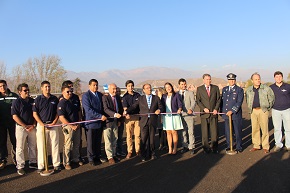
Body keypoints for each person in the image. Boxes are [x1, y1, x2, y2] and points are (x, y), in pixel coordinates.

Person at [125, 84, 164, 162]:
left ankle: (152, 153)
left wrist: (159, 110)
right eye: (147, 88)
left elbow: (161, 107)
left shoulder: (156, 98)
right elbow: (133, 106)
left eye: (150, 88)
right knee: (144, 139)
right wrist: (126, 111)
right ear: (143, 90)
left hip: (152, 120)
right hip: (143, 121)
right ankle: (143, 154)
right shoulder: (140, 98)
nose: (149, 89)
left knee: (152, 138)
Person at [32, 81, 61, 172]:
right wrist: (41, 124)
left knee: (55, 145)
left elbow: (58, 113)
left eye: (49, 86)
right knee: (41, 146)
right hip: (42, 126)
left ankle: (56, 164)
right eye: (45, 87)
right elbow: (35, 114)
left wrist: (54, 122)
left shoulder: (54, 99)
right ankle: (41, 165)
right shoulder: (38, 99)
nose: (47, 88)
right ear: (41, 88)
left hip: (53, 125)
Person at [11, 83, 37, 175]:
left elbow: (35, 114)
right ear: (19, 92)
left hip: (32, 127)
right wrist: (24, 126)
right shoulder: (16, 102)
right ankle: (20, 166)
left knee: (32, 145)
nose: (27, 92)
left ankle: (33, 162)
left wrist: (33, 125)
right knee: (20, 147)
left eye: (28, 90)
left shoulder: (32, 101)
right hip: (21, 128)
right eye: (25, 90)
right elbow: (15, 116)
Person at [245, 72, 275, 153]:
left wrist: (267, 107)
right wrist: (250, 108)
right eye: (256, 79)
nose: (258, 81)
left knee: (264, 129)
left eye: (259, 79)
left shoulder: (266, 88)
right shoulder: (249, 90)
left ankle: (266, 146)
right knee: (255, 129)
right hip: (253, 111)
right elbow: (247, 99)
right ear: (252, 80)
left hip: (263, 111)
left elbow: (272, 98)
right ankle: (256, 145)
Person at [82, 79, 107, 166]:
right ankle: (91, 158)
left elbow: (103, 107)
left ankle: (97, 155)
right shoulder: (86, 96)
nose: (95, 86)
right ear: (89, 86)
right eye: (94, 85)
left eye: (96, 85)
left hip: (99, 123)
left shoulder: (100, 95)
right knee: (90, 142)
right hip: (90, 123)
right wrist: (100, 116)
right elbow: (88, 110)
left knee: (98, 141)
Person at [57, 85, 82, 170]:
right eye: (67, 91)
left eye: (71, 91)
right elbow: (61, 117)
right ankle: (66, 162)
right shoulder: (61, 103)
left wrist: (78, 122)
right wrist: (71, 125)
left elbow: (79, 111)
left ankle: (75, 158)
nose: (70, 93)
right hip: (68, 126)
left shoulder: (74, 100)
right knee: (67, 145)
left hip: (77, 125)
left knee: (76, 143)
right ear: (63, 92)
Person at [196, 74, 221, 154]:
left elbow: (218, 100)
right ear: (203, 80)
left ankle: (214, 148)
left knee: (214, 132)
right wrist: (203, 108)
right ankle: (206, 148)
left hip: (213, 114)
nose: (208, 81)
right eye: (207, 79)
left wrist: (216, 109)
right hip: (204, 114)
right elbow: (198, 100)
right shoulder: (199, 89)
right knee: (205, 133)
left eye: (209, 79)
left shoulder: (215, 88)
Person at [220, 73, 244, 153]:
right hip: (226, 114)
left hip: (235, 114)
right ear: (228, 80)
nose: (231, 81)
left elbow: (239, 102)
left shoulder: (239, 90)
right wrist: (222, 112)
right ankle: (229, 145)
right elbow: (222, 101)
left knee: (237, 131)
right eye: (230, 80)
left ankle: (238, 146)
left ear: (235, 80)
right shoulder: (225, 89)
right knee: (228, 132)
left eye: (233, 80)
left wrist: (232, 111)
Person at [102, 83, 124, 164]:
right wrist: (114, 114)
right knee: (108, 140)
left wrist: (119, 120)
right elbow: (105, 109)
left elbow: (120, 109)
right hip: (108, 122)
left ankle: (114, 154)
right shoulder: (105, 97)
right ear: (109, 89)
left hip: (116, 122)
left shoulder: (117, 97)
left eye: (116, 89)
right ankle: (110, 156)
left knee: (115, 138)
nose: (115, 91)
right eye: (113, 89)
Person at [270, 71, 290, 152]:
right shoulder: (271, 87)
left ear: (282, 77)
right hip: (275, 110)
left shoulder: (288, 86)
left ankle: (288, 145)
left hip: (287, 110)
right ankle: (278, 144)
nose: (278, 78)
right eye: (277, 77)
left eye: (280, 77)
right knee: (277, 128)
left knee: (288, 128)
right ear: (274, 78)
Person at [0, 80, 18, 169]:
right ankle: (3, 160)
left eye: (3, 85)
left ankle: (16, 159)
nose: (2, 88)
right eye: (0, 86)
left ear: (6, 85)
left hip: (12, 123)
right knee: (2, 142)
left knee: (14, 141)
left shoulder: (14, 96)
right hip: (1, 124)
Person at [162, 82, 183, 155]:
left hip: (174, 115)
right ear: (165, 89)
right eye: (166, 87)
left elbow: (180, 104)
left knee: (174, 132)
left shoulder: (176, 95)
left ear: (171, 87)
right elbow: (161, 106)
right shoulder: (164, 96)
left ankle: (175, 148)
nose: (168, 88)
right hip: (166, 116)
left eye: (169, 86)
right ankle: (170, 148)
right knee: (168, 132)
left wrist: (179, 109)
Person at [122, 80, 141, 159]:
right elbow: (125, 107)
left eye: (132, 86)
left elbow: (139, 105)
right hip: (128, 118)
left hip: (137, 117)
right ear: (126, 87)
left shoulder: (138, 95)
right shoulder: (125, 97)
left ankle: (138, 150)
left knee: (137, 135)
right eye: (129, 86)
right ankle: (129, 151)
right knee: (129, 136)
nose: (130, 87)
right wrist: (126, 113)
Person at [178, 78, 196, 155]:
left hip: (189, 115)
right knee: (183, 132)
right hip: (181, 115)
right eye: (182, 84)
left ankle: (191, 146)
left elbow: (193, 102)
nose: (184, 85)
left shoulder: (190, 93)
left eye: (185, 84)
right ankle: (185, 146)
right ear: (179, 85)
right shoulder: (176, 94)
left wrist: (191, 109)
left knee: (191, 132)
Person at [116, 86, 126, 157]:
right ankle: (115, 152)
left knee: (120, 137)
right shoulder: (112, 99)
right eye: (117, 91)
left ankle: (120, 150)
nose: (118, 93)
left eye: (119, 91)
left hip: (121, 122)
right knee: (114, 138)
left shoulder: (122, 100)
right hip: (114, 121)